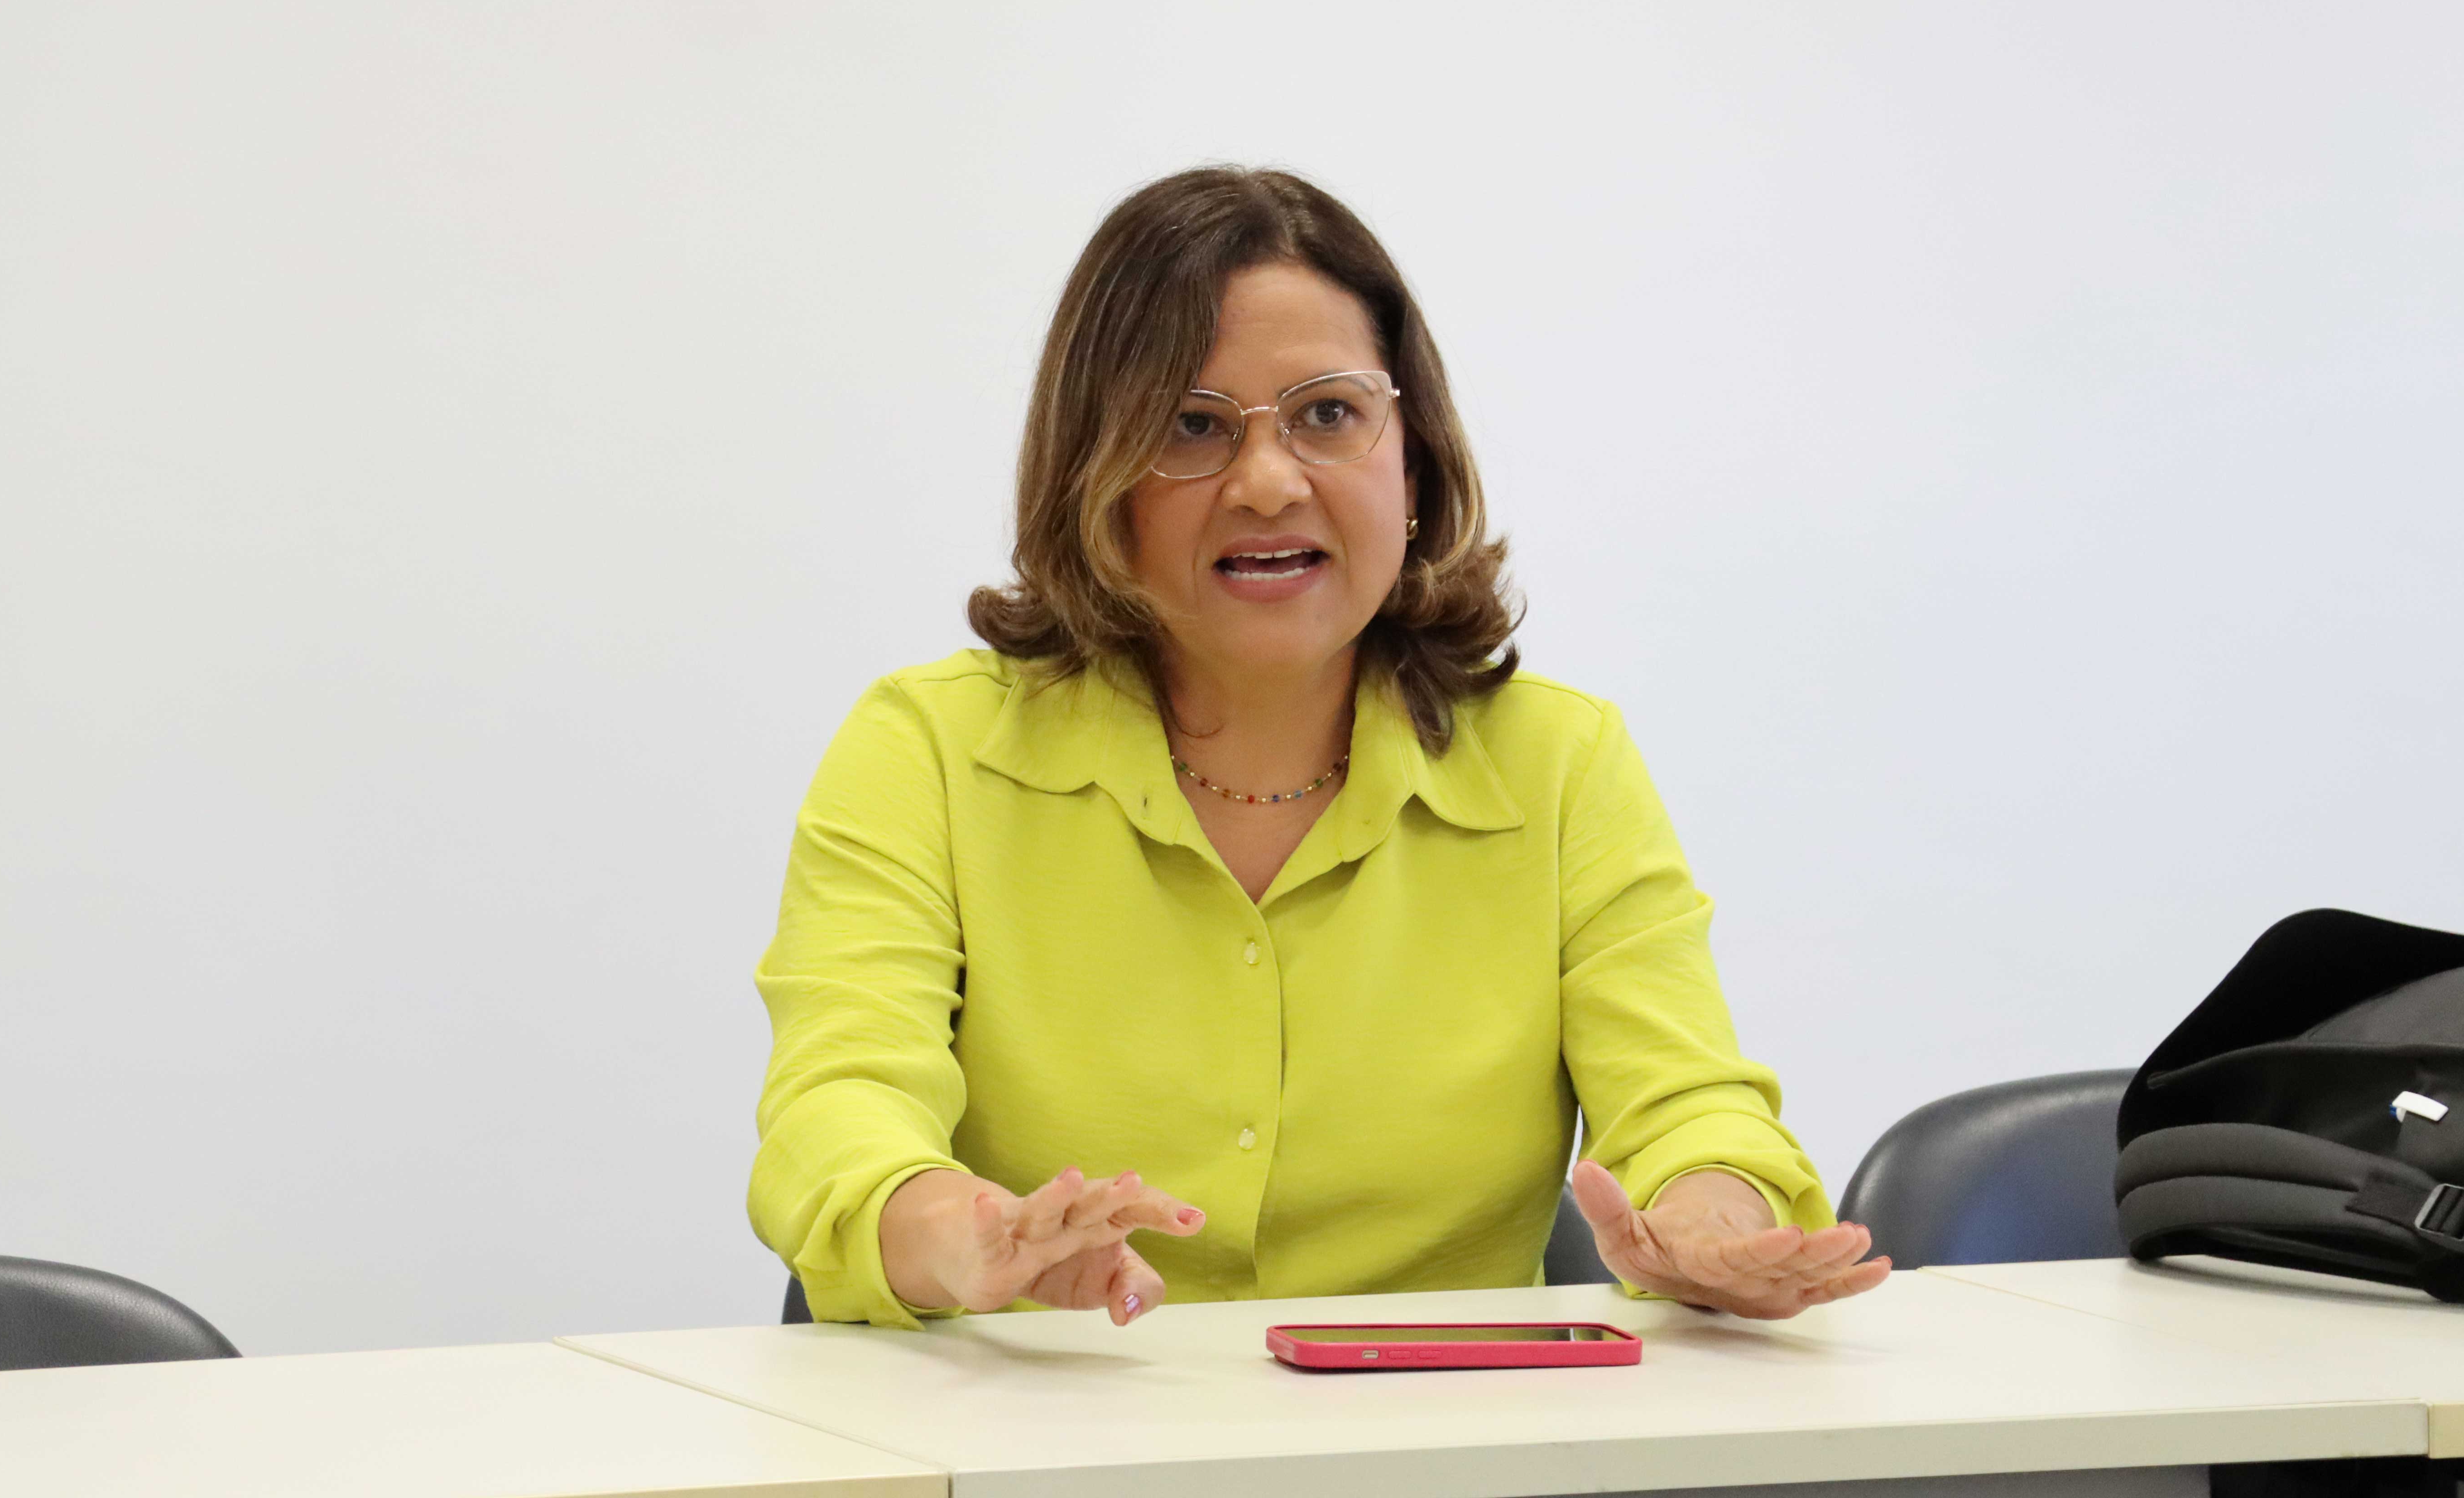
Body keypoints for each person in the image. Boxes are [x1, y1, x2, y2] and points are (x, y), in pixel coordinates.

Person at [750, 166, 1888, 1328]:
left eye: (1328, 415)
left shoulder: (1559, 760)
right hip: (1026, 1422)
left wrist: (1711, 1221)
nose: (1266, 482)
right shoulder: (930, 749)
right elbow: (840, 1106)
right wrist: (961, 1238)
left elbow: (1686, 1103)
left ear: (1414, 457)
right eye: (1192, 426)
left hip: (1447, 1433)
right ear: (1097, 474)